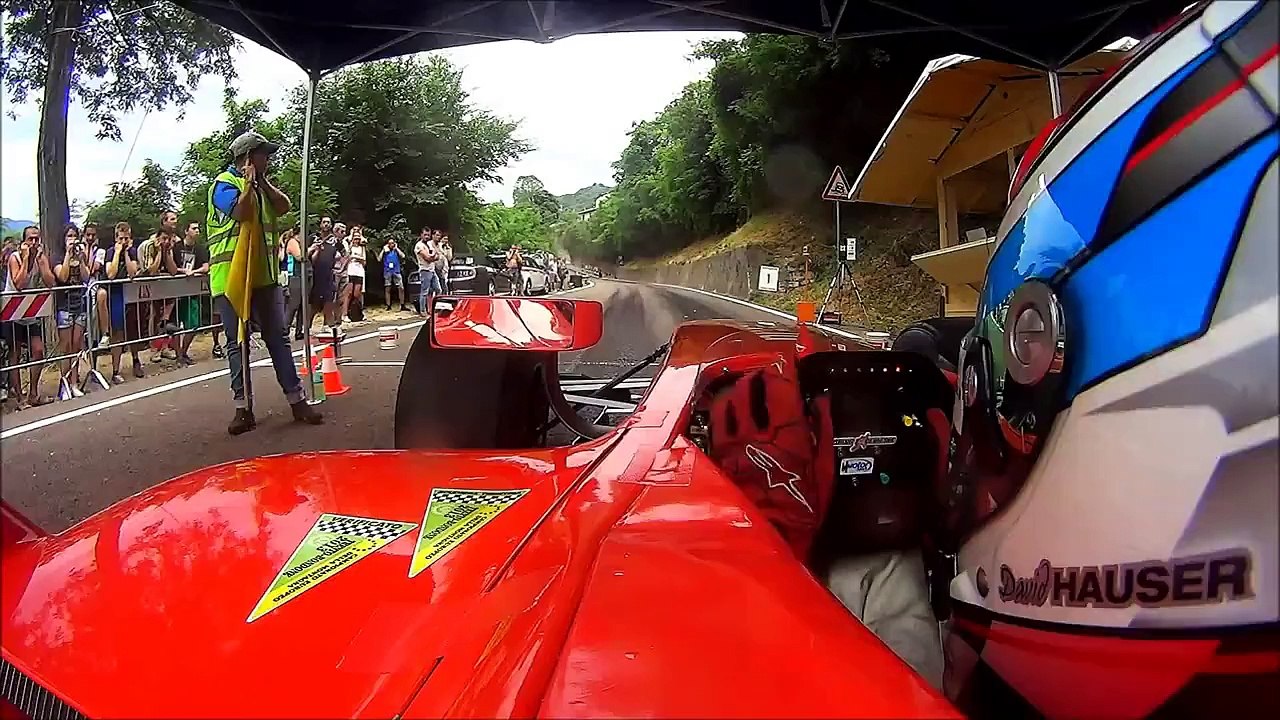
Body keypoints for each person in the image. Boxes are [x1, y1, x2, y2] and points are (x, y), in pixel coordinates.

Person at [207, 130, 322, 434]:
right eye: (263, 154)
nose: (268, 159)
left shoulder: (262, 188)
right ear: (248, 157)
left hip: (265, 278)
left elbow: (283, 206)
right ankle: (242, 408)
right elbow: (241, 212)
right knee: (238, 344)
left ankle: (297, 400)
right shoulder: (224, 185)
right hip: (231, 280)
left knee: (278, 338)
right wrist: (247, 183)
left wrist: (262, 183)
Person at [3, 226, 57, 409]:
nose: (34, 243)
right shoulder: (15, 258)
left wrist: (42, 263)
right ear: (24, 241)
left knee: (38, 350)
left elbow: (51, 282)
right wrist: (26, 258)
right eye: (30, 239)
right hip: (12, 312)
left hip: (31, 311)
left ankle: (33, 393)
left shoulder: (41, 257)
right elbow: (19, 283)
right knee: (15, 354)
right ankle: (19, 397)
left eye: (36, 239)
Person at [53, 224, 93, 397]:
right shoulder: (57, 256)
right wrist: (68, 255)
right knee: (66, 346)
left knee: (77, 344)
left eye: (74, 236)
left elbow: (86, 276)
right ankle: (64, 383)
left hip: (80, 303)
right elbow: (62, 276)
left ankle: (74, 382)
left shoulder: (81, 255)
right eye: (69, 236)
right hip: (64, 304)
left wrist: (81, 259)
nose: (72, 239)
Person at [137, 211, 181, 364]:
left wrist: (166, 252)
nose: (165, 241)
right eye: (163, 239)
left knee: (166, 316)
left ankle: (165, 347)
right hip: (151, 283)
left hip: (166, 283)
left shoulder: (171, 244)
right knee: (154, 314)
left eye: (167, 239)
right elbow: (151, 270)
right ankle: (154, 348)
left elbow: (174, 270)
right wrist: (159, 253)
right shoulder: (150, 245)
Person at [173, 221, 210, 365]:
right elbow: (173, 267)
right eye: (194, 228)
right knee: (175, 324)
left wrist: (193, 272)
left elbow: (206, 267)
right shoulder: (177, 247)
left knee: (193, 324)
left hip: (192, 291)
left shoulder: (200, 249)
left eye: (198, 228)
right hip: (175, 290)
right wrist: (183, 271)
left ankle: (183, 352)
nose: (197, 231)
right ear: (186, 231)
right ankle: (178, 355)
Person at [281, 226, 307, 340]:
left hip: (302, 275)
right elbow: (299, 257)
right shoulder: (292, 242)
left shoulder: (300, 243)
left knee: (303, 305)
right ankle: (285, 330)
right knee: (293, 304)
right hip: (294, 276)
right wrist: (310, 250)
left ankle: (299, 330)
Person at [342, 225, 367, 322]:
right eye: (355, 238)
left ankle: (357, 312)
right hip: (350, 269)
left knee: (357, 294)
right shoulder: (348, 245)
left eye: (358, 238)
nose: (356, 240)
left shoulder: (362, 248)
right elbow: (347, 256)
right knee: (348, 293)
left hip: (359, 271)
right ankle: (344, 314)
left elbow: (364, 262)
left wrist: (359, 259)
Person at [414, 228, 442, 313]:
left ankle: (433, 308)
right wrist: (434, 256)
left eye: (428, 235)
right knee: (424, 291)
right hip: (425, 270)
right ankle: (422, 310)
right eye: (425, 235)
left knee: (438, 289)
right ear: (421, 235)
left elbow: (436, 255)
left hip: (432, 270)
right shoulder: (419, 245)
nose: (427, 237)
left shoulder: (428, 245)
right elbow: (428, 258)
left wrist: (434, 256)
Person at [378, 236, 407, 311]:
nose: (391, 245)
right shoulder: (385, 251)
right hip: (387, 271)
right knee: (388, 288)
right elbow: (379, 259)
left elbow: (403, 256)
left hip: (396, 271)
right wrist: (383, 250)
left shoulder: (396, 251)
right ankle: (388, 305)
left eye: (392, 243)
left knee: (401, 288)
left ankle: (402, 304)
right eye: (390, 243)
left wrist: (396, 248)